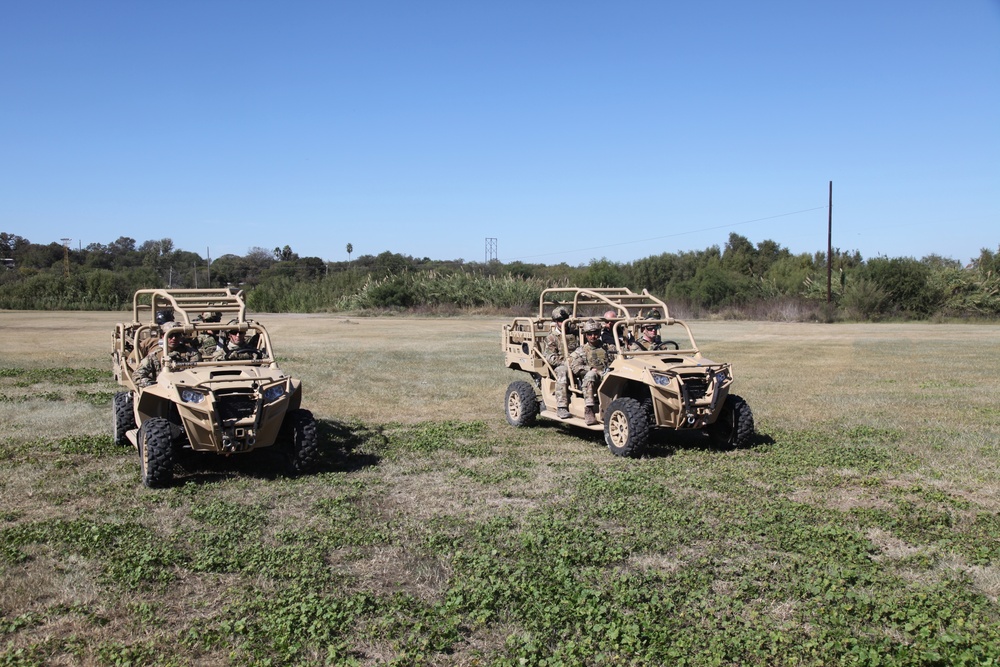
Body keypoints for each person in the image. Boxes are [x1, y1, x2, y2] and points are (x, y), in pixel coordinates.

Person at [133, 322, 202, 388]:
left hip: (188, 388)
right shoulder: (155, 355)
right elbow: (137, 376)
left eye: (177, 335)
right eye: (170, 335)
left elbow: (198, 372)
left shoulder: (191, 353)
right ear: (163, 336)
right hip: (162, 391)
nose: (174, 338)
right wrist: (155, 386)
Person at [570, 319, 613, 424]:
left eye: (596, 333)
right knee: (590, 375)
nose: (593, 336)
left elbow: (617, 359)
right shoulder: (581, 351)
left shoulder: (608, 348)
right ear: (585, 335)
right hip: (592, 381)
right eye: (590, 334)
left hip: (608, 377)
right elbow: (575, 366)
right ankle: (589, 409)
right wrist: (590, 369)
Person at [542, 306, 579, 419]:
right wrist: (565, 362)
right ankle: (561, 407)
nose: (562, 323)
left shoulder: (576, 334)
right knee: (563, 371)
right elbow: (550, 357)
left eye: (564, 320)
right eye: (559, 321)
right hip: (561, 365)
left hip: (577, 362)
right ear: (555, 321)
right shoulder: (552, 337)